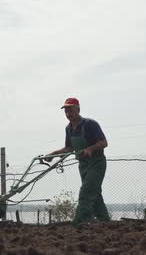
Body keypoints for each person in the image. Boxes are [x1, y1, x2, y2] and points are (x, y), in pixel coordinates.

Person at [46, 97, 110, 226]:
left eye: (71, 110)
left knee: (86, 192)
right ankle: (105, 221)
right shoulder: (68, 128)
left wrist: (90, 149)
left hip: (96, 163)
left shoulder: (90, 124)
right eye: (66, 111)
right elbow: (69, 148)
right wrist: (53, 154)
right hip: (83, 165)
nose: (68, 113)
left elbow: (104, 142)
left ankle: (80, 222)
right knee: (95, 193)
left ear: (78, 109)